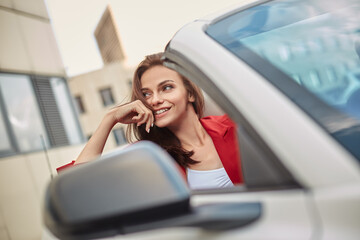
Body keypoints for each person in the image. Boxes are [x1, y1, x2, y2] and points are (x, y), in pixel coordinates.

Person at [57, 52, 243, 189]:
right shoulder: (147, 156)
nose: (154, 100)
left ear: (191, 93)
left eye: (167, 87)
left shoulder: (235, 127)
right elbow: (76, 183)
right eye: (146, 94)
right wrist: (110, 118)